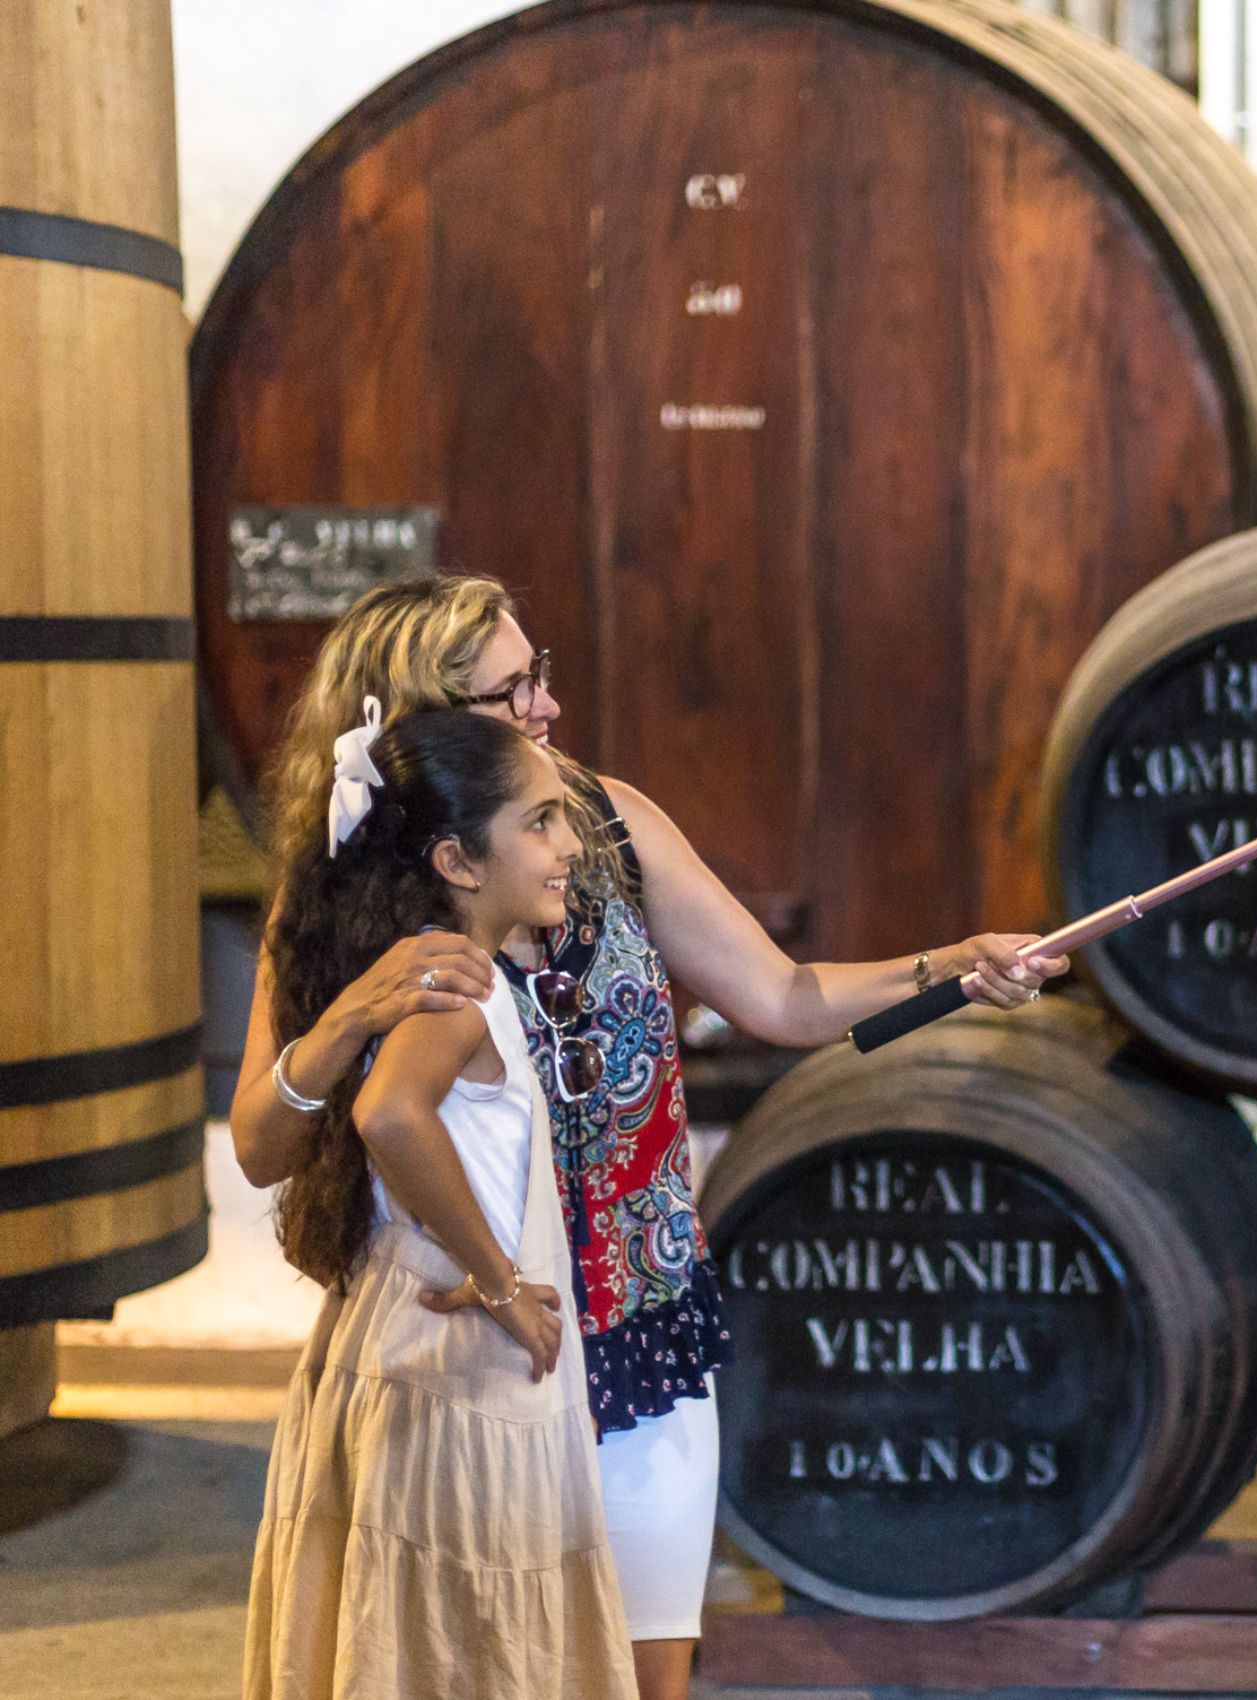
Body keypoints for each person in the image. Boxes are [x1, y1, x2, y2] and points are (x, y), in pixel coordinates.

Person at [230, 575, 1066, 1700]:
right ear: (425, 721)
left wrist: (951, 968)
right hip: (475, 1351)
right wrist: (339, 1024)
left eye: (539, 673)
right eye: (509, 690)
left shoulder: (604, 822)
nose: (546, 706)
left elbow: (782, 995)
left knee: (647, 1675)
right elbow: (263, 1147)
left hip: (639, 1325)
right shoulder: (335, 890)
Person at [246, 705, 636, 1699]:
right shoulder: (457, 982)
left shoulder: (446, 967)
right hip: (457, 1366)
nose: (569, 844)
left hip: (413, 1343)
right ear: (458, 861)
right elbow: (389, 1112)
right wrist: (498, 1278)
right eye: (540, 821)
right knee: (463, 1647)